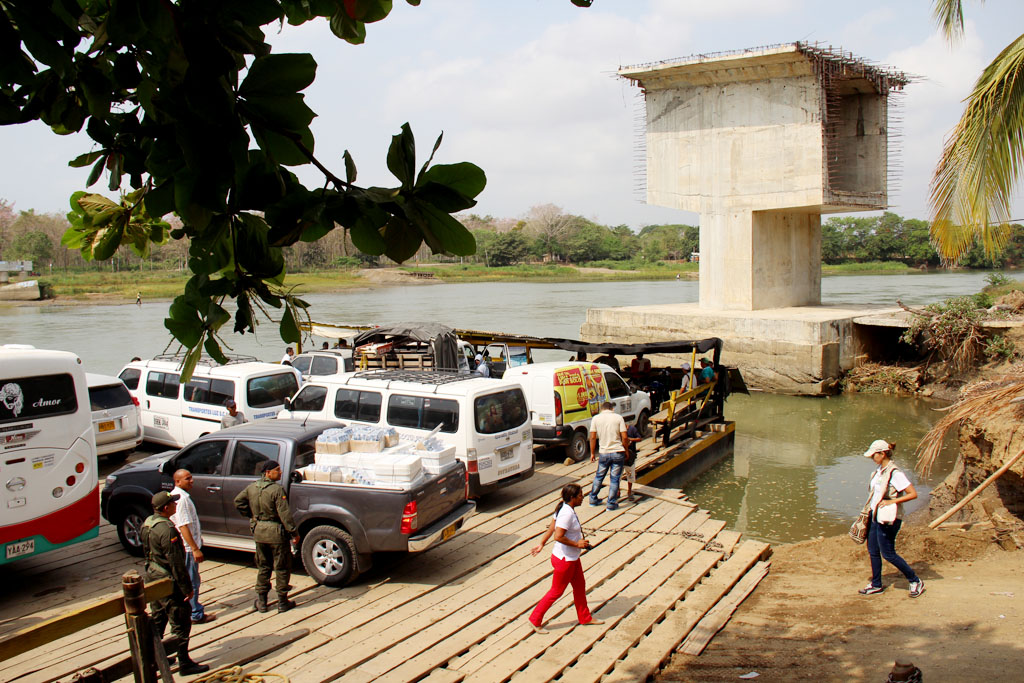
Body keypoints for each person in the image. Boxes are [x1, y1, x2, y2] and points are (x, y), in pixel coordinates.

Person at [141, 491, 210, 675]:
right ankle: (184, 662)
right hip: (169, 581)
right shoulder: (168, 529)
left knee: (158, 618)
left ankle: (154, 657)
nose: (175, 505)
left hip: (153, 578)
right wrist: (187, 588)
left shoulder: (148, 524)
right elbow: (176, 562)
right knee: (180, 620)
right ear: (165, 508)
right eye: (172, 503)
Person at [527, 484, 604, 633]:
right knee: (556, 591)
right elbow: (558, 535)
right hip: (565, 560)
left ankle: (585, 617)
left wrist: (541, 544)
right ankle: (535, 619)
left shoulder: (563, 507)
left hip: (571, 558)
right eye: (580, 495)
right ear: (572, 498)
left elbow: (551, 528)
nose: (583, 497)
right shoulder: (566, 514)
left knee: (580, 586)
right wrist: (577, 544)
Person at [859, 439, 925, 598]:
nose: (872, 458)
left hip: (889, 518)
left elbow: (912, 493)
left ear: (882, 454)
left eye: (874, 455)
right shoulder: (879, 471)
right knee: (873, 550)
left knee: (888, 553)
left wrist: (891, 501)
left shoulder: (895, 473)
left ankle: (915, 580)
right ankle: (876, 584)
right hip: (875, 516)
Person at [234, 460, 300, 612]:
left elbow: (238, 501)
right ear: (268, 473)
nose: (281, 472)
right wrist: (293, 533)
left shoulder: (252, 487)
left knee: (263, 566)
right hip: (276, 533)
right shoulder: (277, 490)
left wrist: (252, 516)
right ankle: (282, 601)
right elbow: (285, 514)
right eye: (277, 470)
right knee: (282, 566)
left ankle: (262, 601)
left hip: (259, 532)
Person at [170, 469, 215, 624]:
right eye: (187, 479)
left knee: (188, 579)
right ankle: (195, 613)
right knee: (192, 581)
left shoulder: (180, 497)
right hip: (188, 549)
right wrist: (194, 548)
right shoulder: (181, 500)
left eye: (191, 478)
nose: (191, 481)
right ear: (178, 481)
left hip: (186, 546)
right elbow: (183, 526)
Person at [588, 401, 628, 511]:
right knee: (614, 479)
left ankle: (593, 498)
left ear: (602, 409)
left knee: (599, 476)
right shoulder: (618, 418)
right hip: (618, 452)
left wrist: (592, 453)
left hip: (603, 452)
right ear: (612, 409)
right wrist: (626, 450)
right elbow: (624, 437)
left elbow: (592, 437)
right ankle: (611, 503)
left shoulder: (596, 419)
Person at [624, 424, 642, 502]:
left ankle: (629, 491)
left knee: (630, 474)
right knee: (617, 475)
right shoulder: (617, 430)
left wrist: (630, 439)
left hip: (630, 455)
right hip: (620, 455)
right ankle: (617, 491)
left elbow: (639, 438)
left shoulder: (632, 429)